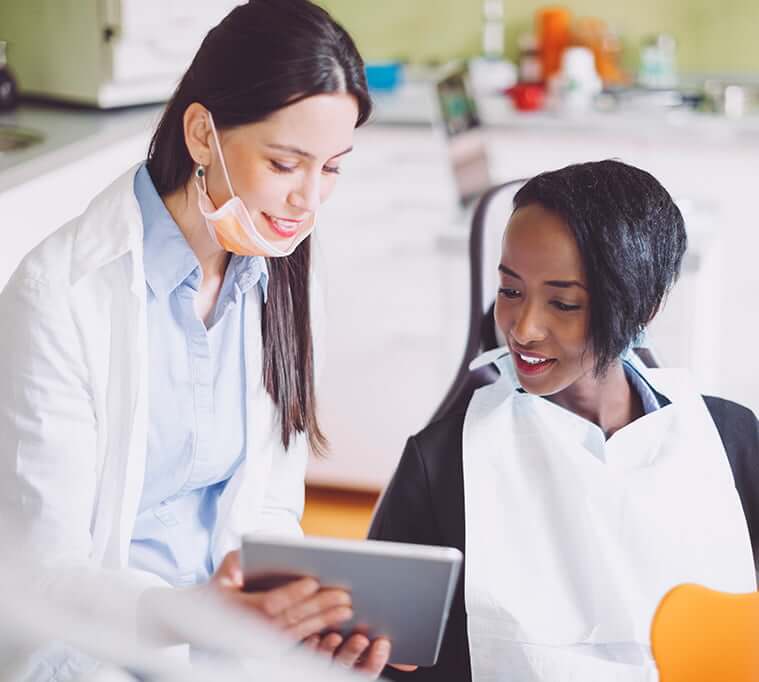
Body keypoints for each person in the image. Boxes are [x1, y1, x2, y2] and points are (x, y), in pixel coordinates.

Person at [0, 0, 392, 677]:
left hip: (225, 638)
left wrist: (298, 623)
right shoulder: (56, 296)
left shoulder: (287, 278)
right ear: (202, 134)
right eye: (284, 163)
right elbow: (47, 575)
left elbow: (270, 502)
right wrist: (194, 616)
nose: (309, 200)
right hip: (94, 641)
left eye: (331, 168)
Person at [370, 160, 759, 681]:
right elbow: (386, 659)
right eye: (510, 291)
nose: (524, 328)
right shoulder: (443, 462)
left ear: (643, 306)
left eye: (563, 303)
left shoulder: (730, 443)